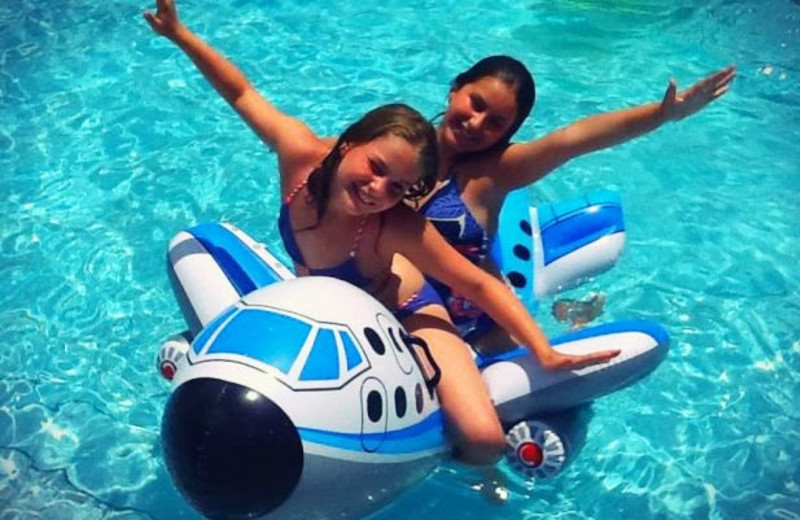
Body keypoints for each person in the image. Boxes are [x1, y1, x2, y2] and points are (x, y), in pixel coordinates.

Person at [144, 1, 619, 467]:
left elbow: (476, 283)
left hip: (408, 314)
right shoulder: (298, 156)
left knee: (484, 441)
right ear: (348, 142)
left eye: (397, 187)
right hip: (322, 306)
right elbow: (242, 93)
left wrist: (543, 350)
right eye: (375, 167)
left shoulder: (393, 224)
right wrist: (180, 35)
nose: (377, 190)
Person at [417, 55, 736, 349]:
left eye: (495, 123)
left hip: (473, 321)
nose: (476, 124)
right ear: (456, 88)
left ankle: (577, 319)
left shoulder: (495, 172)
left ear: (508, 133)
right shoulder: (402, 144)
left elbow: (573, 140)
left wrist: (662, 114)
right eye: (476, 103)